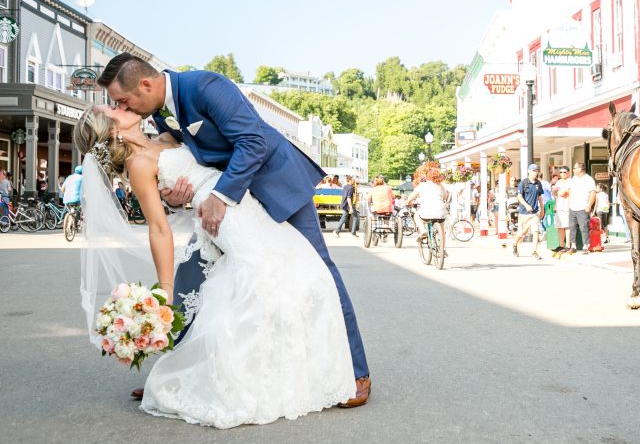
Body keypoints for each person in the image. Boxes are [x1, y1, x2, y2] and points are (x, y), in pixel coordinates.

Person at [95, 53, 369, 410]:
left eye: (123, 100)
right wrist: (180, 197)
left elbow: (253, 141)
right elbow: (192, 164)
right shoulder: (160, 111)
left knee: (316, 270)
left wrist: (220, 197)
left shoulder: (206, 86)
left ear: (145, 85)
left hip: (274, 185)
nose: (122, 106)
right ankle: (178, 373)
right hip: (225, 203)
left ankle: (356, 372)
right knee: (193, 275)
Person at [405, 166, 449, 240]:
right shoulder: (441, 186)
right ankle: (442, 249)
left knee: (416, 215)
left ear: (428, 176)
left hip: (427, 213)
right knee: (442, 230)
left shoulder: (422, 185)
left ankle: (422, 230)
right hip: (440, 213)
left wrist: (408, 202)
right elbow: (445, 197)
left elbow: (410, 197)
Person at [511, 163, 544, 259]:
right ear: (529, 171)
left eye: (537, 170)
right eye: (533, 170)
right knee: (522, 233)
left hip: (534, 213)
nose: (535, 172)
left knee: (536, 231)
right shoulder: (523, 183)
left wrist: (542, 209)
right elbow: (519, 196)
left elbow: (540, 197)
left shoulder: (538, 183)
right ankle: (515, 244)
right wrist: (526, 205)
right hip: (524, 213)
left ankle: (534, 251)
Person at [566, 162, 597, 256]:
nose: (573, 170)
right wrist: (569, 204)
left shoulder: (589, 179)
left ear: (580, 169)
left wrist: (589, 205)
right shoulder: (573, 179)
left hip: (583, 207)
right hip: (573, 207)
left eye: (575, 168)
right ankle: (573, 246)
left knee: (584, 227)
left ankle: (585, 246)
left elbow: (593, 193)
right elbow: (570, 191)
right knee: (572, 227)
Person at [551, 166, 571, 257]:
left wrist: (561, 192)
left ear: (568, 173)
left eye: (564, 172)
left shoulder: (571, 182)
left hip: (567, 206)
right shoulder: (558, 182)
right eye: (561, 172)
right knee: (560, 227)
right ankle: (561, 245)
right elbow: (555, 194)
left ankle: (568, 245)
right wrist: (554, 191)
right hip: (559, 206)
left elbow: (566, 193)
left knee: (567, 226)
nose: (562, 174)